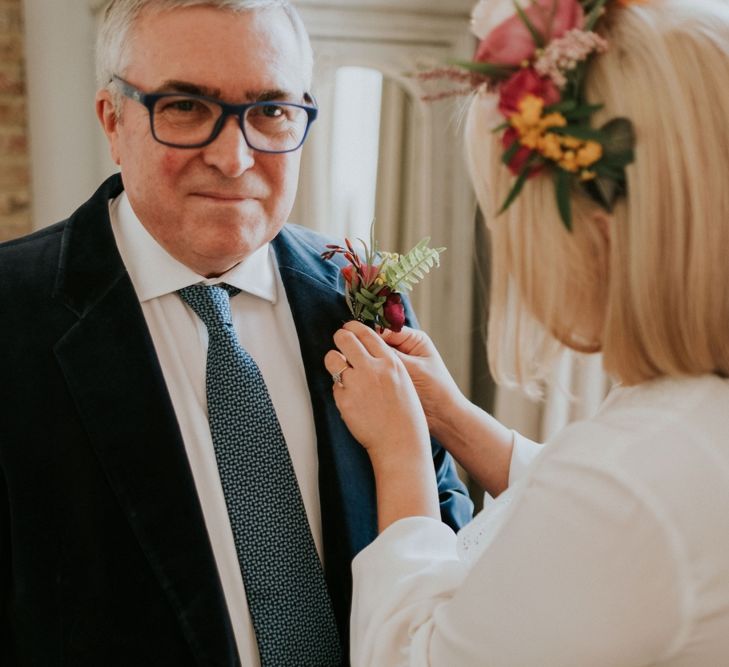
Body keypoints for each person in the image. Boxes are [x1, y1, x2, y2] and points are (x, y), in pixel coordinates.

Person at [0, 1, 473, 665]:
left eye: (270, 110)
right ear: (113, 120)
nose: (233, 156)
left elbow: (446, 537)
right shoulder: (13, 314)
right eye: (186, 107)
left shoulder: (357, 293)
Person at [324, 0, 729, 664]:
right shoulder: (681, 425)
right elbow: (599, 543)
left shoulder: (628, 481)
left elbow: (414, 656)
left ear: (596, 237)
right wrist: (451, 417)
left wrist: (399, 453)